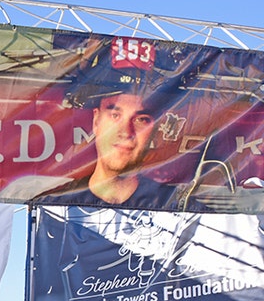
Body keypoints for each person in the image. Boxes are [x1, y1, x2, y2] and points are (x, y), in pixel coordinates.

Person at [32, 41, 191, 211]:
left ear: (154, 128)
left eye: (141, 119)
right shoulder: (52, 206)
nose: (126, 132)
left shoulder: (179, 207)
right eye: (115, 115)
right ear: (96, 121)